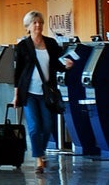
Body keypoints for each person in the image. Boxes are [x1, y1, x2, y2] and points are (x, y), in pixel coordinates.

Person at [11, 10, 67, 174]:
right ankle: (38, 158)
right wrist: (16, 95)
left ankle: (39, 151)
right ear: (27, 27)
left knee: (48, 125)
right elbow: (18, 72)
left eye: (40, 23)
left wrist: (66, 66)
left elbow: (57, 64)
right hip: (28, 92)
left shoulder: (51, 43)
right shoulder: (23, 46)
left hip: (46, 92)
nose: (38, 26)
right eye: (34, 23)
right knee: (35, 126)